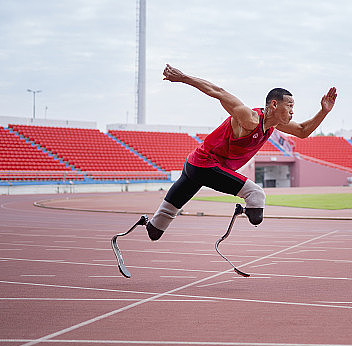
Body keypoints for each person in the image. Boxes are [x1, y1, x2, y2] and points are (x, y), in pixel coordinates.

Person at [143, 64, 337, 240]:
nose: (293, 111)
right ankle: (243, 211)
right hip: (204, 165)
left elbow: (303, 131)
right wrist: (183, 77)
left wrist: (324, 111)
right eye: (290, 106)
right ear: (274, 105)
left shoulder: (274, 125)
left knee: (156, 229)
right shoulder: (250, 119)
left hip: (194, 166)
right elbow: (218, 91)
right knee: (256, 194)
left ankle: (149, 225)